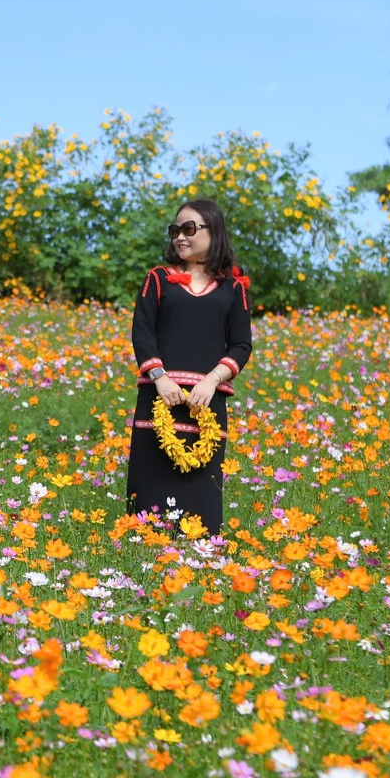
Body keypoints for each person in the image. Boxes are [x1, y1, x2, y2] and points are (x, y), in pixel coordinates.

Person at [125, 198, 253, 535]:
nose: (180, 237)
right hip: (159, 398)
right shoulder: (158, 279)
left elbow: (241, 345)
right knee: (148, 497)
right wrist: (160, 378)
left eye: (189, 229)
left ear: (215, 232)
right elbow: (143, 333)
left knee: (203, 499)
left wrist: (211, 382)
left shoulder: (234, 288)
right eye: (175, 230)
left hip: (207, 405)